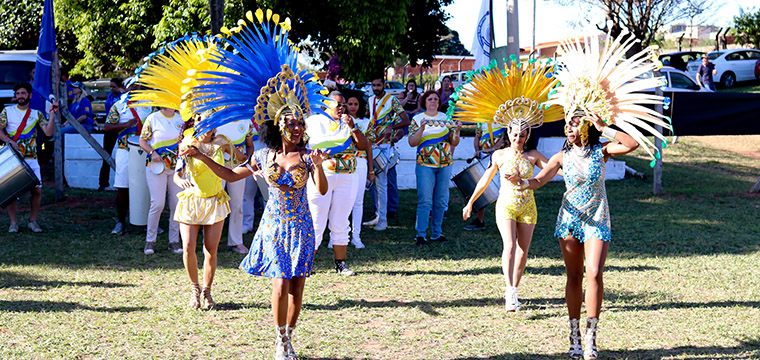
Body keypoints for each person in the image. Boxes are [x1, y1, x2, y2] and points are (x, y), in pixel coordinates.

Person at [179, 13, 332, 359]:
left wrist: (319, 167)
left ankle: (290, 337)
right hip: (276, 227)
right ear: (278, 128)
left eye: (299, 125)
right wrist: (203, 159)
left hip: (302, 226)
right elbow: (232, 175)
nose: (296, 129)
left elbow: (320, 190)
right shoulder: (263, 157)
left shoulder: (309, 157)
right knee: (280, 283)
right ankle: (279, 341)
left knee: (297, 288)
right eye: (290, 125)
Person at [533, 34, 671, 360]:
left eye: (576, 121)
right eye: (568, 122)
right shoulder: (561, 155)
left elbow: (633, 144)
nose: (571, 126)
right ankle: (573, 336)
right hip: (569, 218)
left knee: (594, 273)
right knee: (573, 276)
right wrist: (524, 183)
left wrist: (604, 125)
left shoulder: (602, 149)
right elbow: (541, 178)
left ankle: (591, 337)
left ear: (586, 124)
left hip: (597, 217)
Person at [463, 125, 551, 311]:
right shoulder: (499, 155)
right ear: (508, 134)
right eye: (515, 134)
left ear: (527, 136)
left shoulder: (533, 155)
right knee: (510, 245)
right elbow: (485, 179)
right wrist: (471, 202)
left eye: (522, 135)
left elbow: (554, 169)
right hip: (506, 204)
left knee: (522, 249)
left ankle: (515, 290)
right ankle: (509, 292)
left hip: (528, 206)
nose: (518, 138)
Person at [173, 117, 234, 310]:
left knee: (210, 249)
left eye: (212, 123)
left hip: (215, 200)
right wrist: (179, 181)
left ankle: (207, 291)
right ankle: (195, 290)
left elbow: (239, 160)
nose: (208, 128)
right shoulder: (188, 143)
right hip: (192, 201)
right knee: (188, 246)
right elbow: (177, 173)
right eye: (204, 124)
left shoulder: (222, 142)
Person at [306, 91, 369, 275]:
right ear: (326, 105)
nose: (341, 108)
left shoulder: (349, 123)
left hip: (347, 174)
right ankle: (307, 265)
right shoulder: (314, 121)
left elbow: (363, 146)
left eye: (343, 104)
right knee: (316, 220)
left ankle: (340, 264)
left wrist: (353, 128)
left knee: (341, 220)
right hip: (322, 174)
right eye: (337, 104)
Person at [0, 82, 56, 233]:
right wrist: (9, 141)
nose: (20, 96)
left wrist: (52, 115)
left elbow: (49, 133)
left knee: (37, 190)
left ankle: (33, 220)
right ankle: (13, 223)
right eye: (18, 94)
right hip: (14, 158)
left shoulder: (37, 114)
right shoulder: (7, 111)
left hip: (32, 158)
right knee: (11, 191)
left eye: (23, 93)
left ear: (29, 95)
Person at [407, 90, 461, 245]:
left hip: (444, 164)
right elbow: (412, 142)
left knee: (441, 200)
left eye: (436, 99)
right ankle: (421, 234)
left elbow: (454, 142)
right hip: (425, 164)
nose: (433, 102)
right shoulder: (417, 119)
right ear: (424, 101)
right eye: (430, 99)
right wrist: (422, 129)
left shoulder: (446, 118)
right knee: (425, 200)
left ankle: (437, 233)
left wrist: (457, 131)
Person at [104, 77, 152, 235]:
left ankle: (148, 223)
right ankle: (120, 222)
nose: (134, 89)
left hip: (146, 151)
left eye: (137, 86)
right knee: (123, 186)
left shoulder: (150, 105)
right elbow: (108, 127)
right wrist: (126, 125)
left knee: (148, 187)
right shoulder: (118, 105)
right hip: (125, 150)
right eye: (131, 86)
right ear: (125, 88)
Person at [362, 76, 409, 231]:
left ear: (383, 85)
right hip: (372, 144)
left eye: (378, 85)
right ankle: (378, 216)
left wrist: (393, 128)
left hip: (385, 146)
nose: (376, 88)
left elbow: (406, 120)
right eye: (373, 85)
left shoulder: (392, 100)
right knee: (374, 184)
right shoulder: (370, 100)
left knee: (381, 184)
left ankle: (383, 220)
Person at [138, 107, 184, 255]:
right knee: (157, 203)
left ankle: (174, 241)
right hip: (156, 166)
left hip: (177, 167)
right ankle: (150, 241)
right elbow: (142, 140)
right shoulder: (153, 118)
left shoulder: (181, 119)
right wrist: (153, 153)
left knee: (176, 204)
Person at [216, 119, 255, 254]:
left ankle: (236, 241)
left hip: (238, 168)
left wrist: (248, 163)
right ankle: (211, 240)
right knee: (216, 202)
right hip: (218, 167)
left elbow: (249, 145)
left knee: (237, 204)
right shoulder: (218, 118)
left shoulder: (246, 122)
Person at [463, 122, 505, 231]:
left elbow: (505, 138)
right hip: (483, 157)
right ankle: (479, 220)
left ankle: (506, 220)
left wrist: (492, 149)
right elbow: (477, 137)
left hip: (501, 157)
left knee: (503, 189)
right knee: (480, 187)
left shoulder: (504, 119)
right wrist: (477, 150)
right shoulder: (481, 120)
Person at [345, 94, 374, 249]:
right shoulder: (338, 122)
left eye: (356, 103)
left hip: (360, 162)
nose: (353, 106)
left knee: (358, 201)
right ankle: (337, 236)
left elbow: (368, 147)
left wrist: (371, 170)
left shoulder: (366, 123)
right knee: (340, 201)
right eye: (350, 103)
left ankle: (356, 236)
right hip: (342, 163)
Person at [99, 77, 125, 191]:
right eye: (110, 86)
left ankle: (122, 184)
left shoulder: (123, 97)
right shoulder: (110, 96)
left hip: (120, 128)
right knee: (106, 154)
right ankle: (103, 182)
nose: (111, 89)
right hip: (110, 127)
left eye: (114, 87)